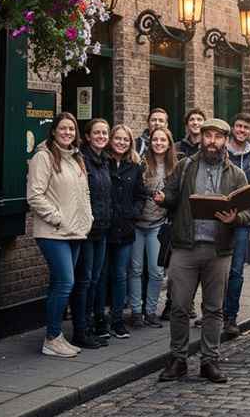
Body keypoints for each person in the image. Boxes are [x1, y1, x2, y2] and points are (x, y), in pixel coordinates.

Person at [156, 119, 250, 384]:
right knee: (179, 307)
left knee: (213, 309)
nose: (212, 141)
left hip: (218, 251)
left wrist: (235, 218)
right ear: (201, 138)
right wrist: (163, 198)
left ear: (225, 141)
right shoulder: (185, 166)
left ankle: (210, 360)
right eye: (207, 135)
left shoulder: (236, 175)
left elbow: (247, 210)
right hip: (185, 247)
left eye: (218, 137)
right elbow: (171, 195)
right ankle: (178, 359)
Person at [27, 112, 93, 358]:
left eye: (72, 129)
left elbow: (85, 193)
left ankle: (56, 335)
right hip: (52, 232)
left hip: (75, 232)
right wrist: (57, 217)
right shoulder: (43, 157)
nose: (67, 133)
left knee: (60, 283)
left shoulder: (76, 158)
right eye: (63, 129)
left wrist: (88, 219)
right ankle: (52, 338)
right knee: (66, 282)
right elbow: (34, 195)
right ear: (54, 131)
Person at [70, 118, 113, 349]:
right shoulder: (82, 160)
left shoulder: (104, 161)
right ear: (87, 136)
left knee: (95, 280)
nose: (101, 136)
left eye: (105, 133)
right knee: (84, 280)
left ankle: (89, 326)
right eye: (97, 133)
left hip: (102, 230)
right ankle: (80, 329)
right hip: (86, 230)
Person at [130, 127, 176, 328]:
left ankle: (150, 311)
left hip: (158, 225)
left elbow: (177, 196)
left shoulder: (174, 167)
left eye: (162, 140)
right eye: (155, 139)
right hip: (138, 224)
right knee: (135, 269)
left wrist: (166, 200)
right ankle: (136, 311)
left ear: (169, 143)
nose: (158, 143)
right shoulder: (141, 164)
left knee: (157, 271)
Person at [105, 125, 147, 339]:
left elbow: (141, 194)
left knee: (120, 275)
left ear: (131, 143)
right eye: (118, 138)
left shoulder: (135, 166)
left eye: (126, 140)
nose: (121, 142)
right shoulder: (103, 161)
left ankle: (118, 319)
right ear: (111, 140)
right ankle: (99, 320)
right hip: (104, 228)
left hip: (125, 229)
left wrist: (134, 212)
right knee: (101, 275)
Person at [223, 113, 250, 337]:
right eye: (238, 126)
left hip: (241, 223)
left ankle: (230, 317)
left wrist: (244, 217)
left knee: (236, 271)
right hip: (218, 219)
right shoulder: (221, 152)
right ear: (232, 128)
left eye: (245, 127)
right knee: (214, 270)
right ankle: (213, 313)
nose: (241, 130)